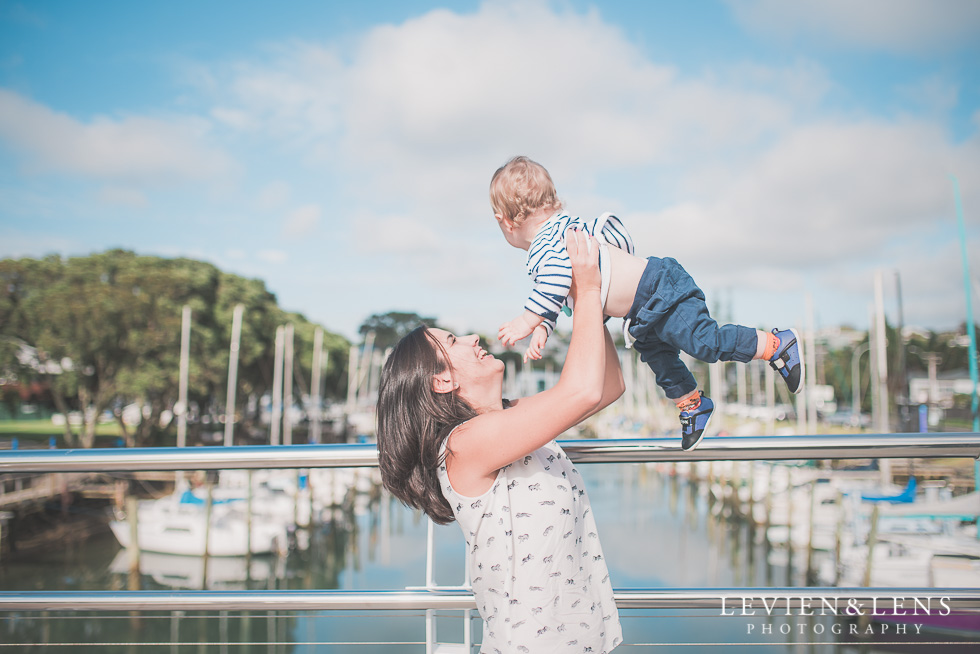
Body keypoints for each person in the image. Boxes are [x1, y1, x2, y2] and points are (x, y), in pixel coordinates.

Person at [377, 230, 623, 654]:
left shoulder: (510, 417)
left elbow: (606, 386)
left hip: (579, 640)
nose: (474, 339)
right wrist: (586, 287)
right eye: (454, 342)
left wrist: (592, 307)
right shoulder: (464, 443)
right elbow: (580, 392)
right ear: (442, 379)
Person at [491, 155, 804, 451]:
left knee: (704, 342)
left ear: (504, 221)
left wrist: (527, 319)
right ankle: (694, 406)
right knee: (659, 360)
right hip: (641, 311)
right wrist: (544, 325)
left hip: (657, 289)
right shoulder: (564, 228)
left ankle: (776, 344)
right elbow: (559, 288)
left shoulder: (545, 241)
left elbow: (556, 279)